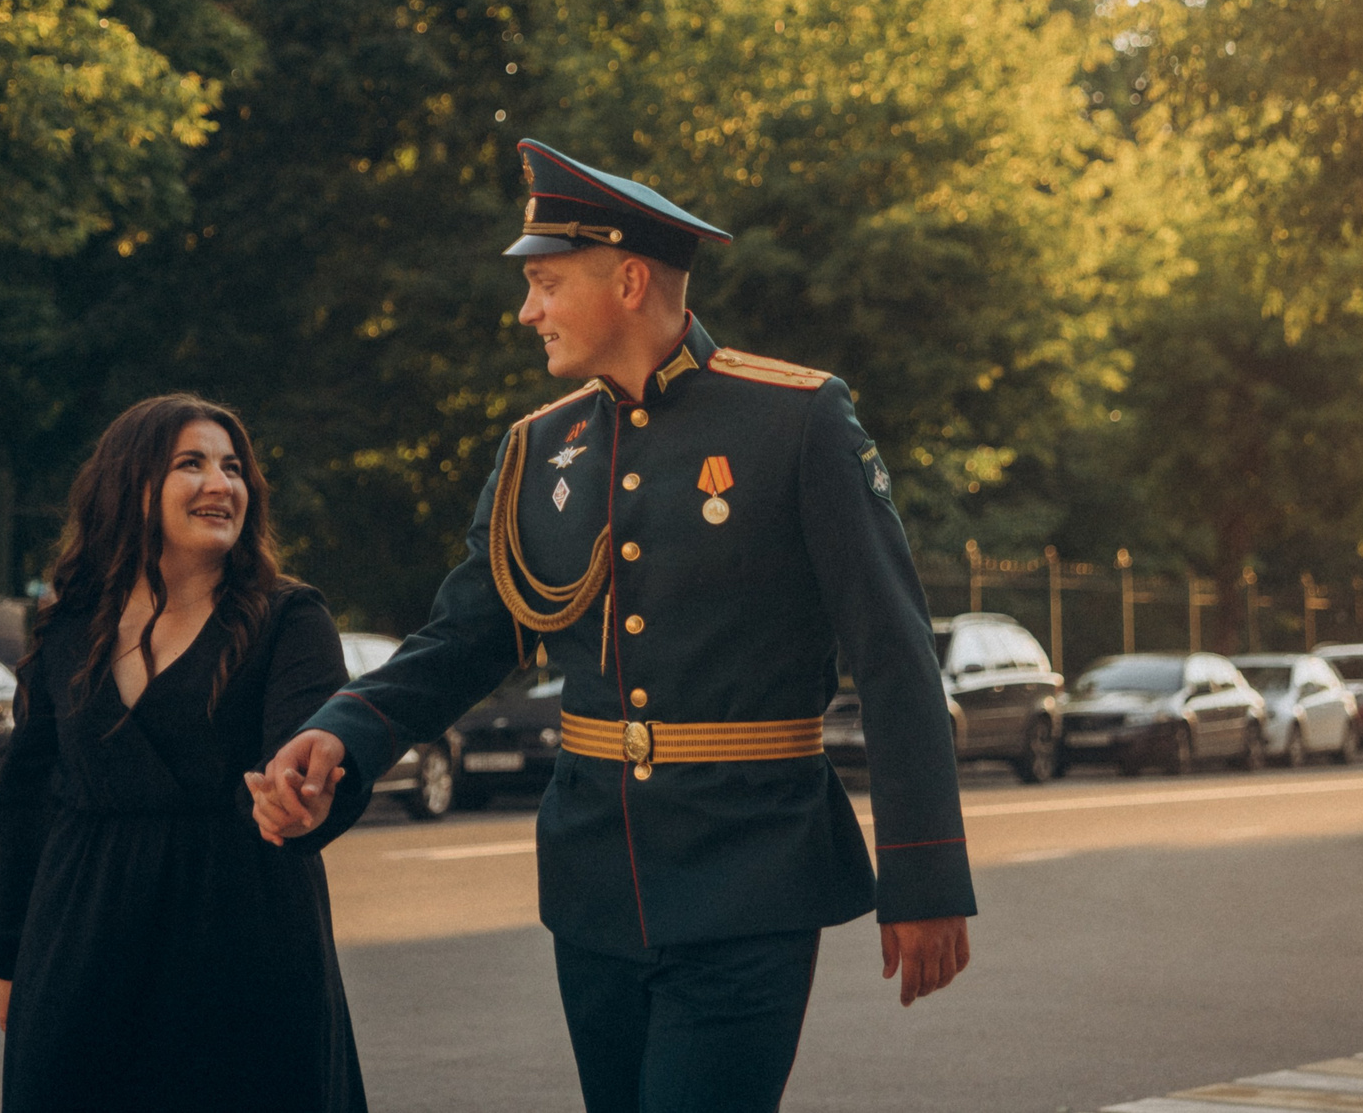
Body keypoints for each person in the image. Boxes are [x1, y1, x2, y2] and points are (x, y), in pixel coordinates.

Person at [251, 139, 973, 1113]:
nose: (527, 309)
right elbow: (467, 635)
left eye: (545, 282)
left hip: (749, 873)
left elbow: (893, 655)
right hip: (595, 879)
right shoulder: (539, 447)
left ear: (628, 279)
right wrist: (339, 732)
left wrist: (923, 874)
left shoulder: (795, 419)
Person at [0, 394, 368, 1113]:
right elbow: (25, 797)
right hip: (80, 945)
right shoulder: (68, 625)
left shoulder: (290, 617)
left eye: (233, 466)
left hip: (242, 942)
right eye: (192, 463)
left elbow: (313, 746)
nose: (222, 483)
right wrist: (8, 950)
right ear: (132, 484)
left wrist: (302, 796)